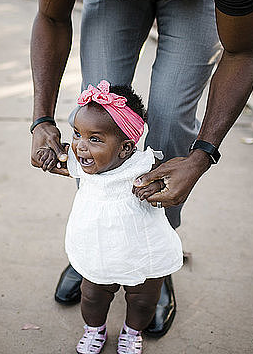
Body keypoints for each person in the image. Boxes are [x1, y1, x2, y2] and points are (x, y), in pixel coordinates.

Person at [28, 0, 253, 337]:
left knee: (171, 118)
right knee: (98, 116)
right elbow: (52, 17)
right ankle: (95, 250)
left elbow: (241, 51)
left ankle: (155, 260)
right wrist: (42, 119)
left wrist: (202, 154)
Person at [37, 81, 183, 354]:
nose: (80, 146)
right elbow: (56, 157)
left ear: (126, 147)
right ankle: (95, 330)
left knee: (142, 300)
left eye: (95, 139)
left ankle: (132, 332)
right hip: (97, 247)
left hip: (143, 250)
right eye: (77, 133)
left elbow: (166, 179)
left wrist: (158, 185)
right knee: (92, 296)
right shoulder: (80, 162)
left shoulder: (144, 165)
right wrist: (47, 154)